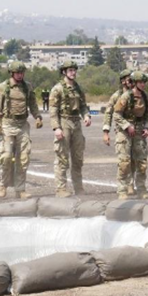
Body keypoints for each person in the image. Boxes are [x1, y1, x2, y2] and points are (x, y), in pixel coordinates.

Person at [0, 60, 43, 199]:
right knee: (6, 156)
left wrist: (38, 117)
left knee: (24, 158)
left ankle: (20, 190)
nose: (20, 75)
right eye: (17, 73)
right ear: (12, 73)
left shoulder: (27, 87)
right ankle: (3, 185)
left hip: (22, 125)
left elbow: (33, 104)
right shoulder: (3, 87)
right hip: (7, 125)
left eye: (22, 73)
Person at [50, 60, 91, 197]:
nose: (73, 73)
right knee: (62, 157)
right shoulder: (57, 89)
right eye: (70, 70)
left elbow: (83, 106)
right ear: (64, 72)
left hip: (76, 123)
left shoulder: (78, 88)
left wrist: (86, 116)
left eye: (74, 70)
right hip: (64, 121)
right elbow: (53, 110)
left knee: (78, 158)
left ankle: (78, 188)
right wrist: (56, 128)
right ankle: (61, 189)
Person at [112, 71, 148, 199]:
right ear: (135, 83)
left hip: (139, 129)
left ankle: (141, 189)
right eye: (140, 82)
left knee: (141, 162)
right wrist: (127, 125)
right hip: (124, 131)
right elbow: (116, 114)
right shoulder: (126, 96)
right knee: (124, 162)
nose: (143, 85)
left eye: (144, 82)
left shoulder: (145, 97)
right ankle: (122, 190)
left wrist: (147, 127)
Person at [103, 69, 136, 193]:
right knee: (124, 160)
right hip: (121, 131)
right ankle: (123, 186)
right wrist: (106, 132)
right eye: (129, 79)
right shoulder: (116, 96)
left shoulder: (137, 94)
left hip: (135, 130)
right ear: (123, 81)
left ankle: (131, 184)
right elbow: (108, 113)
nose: (131, 82)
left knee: (134, 160)